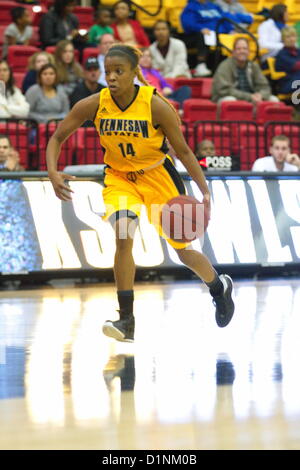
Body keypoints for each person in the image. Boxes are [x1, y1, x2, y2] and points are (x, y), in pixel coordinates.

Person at [46, 44, 235, 342]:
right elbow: (57, 137)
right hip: (120, 178)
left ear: (135, 73)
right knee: (123, 237)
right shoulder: (95, 103)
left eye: (119, 72)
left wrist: (204, 189)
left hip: (158, 176)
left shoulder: (156, 105)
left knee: (183, 250)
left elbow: (184, 151)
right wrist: (53, 171)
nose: (112, 78)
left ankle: (218, 286)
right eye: (108, 72)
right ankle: (126, 320)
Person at [180, 0, 253, 77]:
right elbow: (187, 23)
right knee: (203, 35)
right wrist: (200, 28)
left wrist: (230, 30)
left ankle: (236, 67)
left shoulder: (213, 6)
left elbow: (223, 18)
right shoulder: (191, 7)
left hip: (218, 33)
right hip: (200, 34)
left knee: (235, 39)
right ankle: (200, 64)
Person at [212, 37, 279, 103]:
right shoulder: (225, 66)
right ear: (233, 52)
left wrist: (261, 95)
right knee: (231, 100)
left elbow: (265, 86)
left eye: (245, 48)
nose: (242, 51)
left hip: (251, 97)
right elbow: (224, 90)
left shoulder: (254, 66)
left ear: (248, 51)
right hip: (227, 97)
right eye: (239, 49)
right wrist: (249, 96)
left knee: (274, 100)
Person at [70, 57, 104, 123]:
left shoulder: (104, 90)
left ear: (100, 72)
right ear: (84, 73)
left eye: (95, 69)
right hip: (82, 126)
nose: (93, 73)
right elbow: (77, 114)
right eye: (90, 70)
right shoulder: (77, 90)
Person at [275, 26, 300, 95]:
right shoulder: (282, 55)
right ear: (283, 39)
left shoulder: (298, 51)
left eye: (293, 36)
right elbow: (297, 65)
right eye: (288, 37)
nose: (291, 39)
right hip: (287, 84)